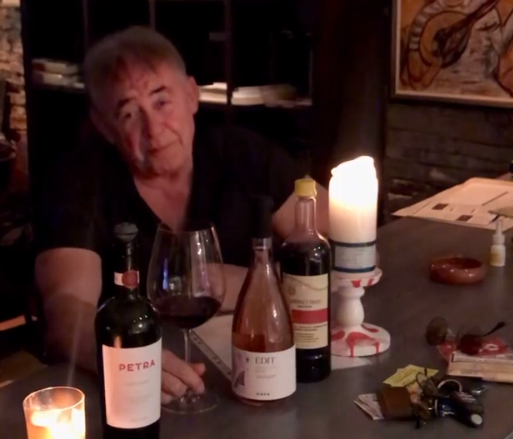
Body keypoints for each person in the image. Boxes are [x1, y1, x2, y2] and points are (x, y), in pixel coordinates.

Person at [34, 26, 330, 405]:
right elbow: (66, 312)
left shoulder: (243, 154)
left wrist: (249, 283)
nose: (154, 129)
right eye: (129, 114)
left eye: (161, 101)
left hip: (252, 381)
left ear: (191, 95)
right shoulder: (80, 182)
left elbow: (331, 240)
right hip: (134, 394)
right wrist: (126, 358)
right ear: (105, 127)